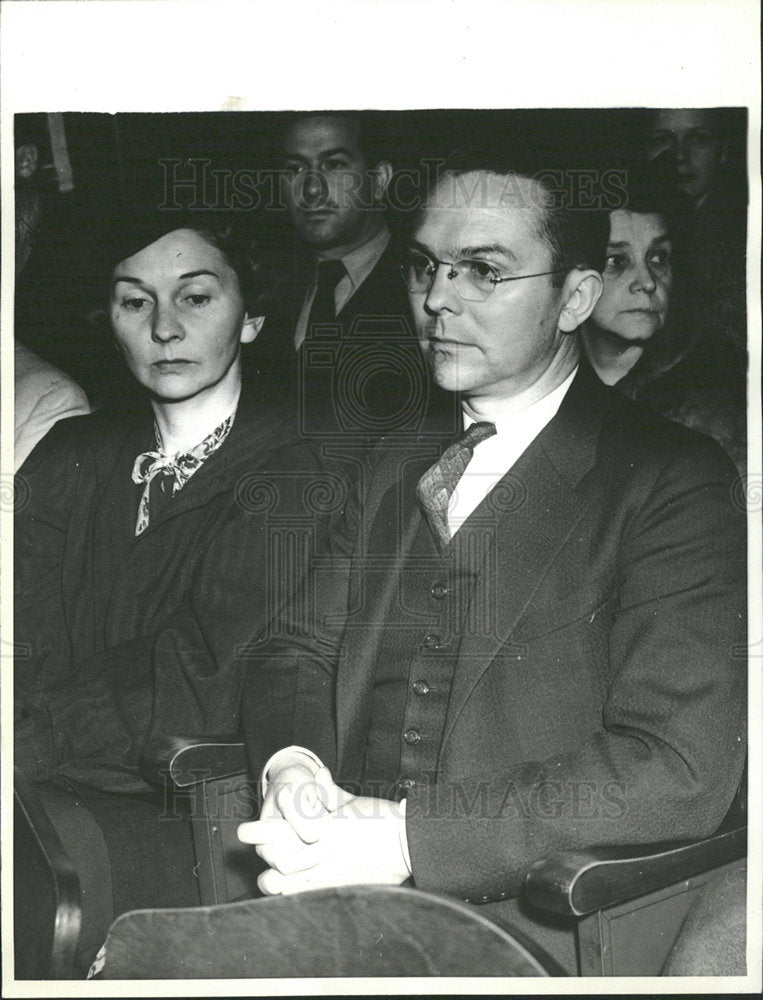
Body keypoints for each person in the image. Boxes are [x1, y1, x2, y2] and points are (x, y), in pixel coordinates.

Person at [237, 160, 747, 973]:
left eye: (483, 270)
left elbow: (677, 767)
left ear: (574, 298)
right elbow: (292, 650)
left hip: (541, 923)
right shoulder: (389, 459)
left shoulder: (669, 478)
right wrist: (292, 766)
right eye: (424, 266)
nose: (438, 299)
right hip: (332, 898)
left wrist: (406, 840)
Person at [253, 111, 444, 440]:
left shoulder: (429, 287)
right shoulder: (263, 286)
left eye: (334, 165)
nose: (312, 189)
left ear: (379, 180)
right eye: (295, 169)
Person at [581, 167, 746, 473]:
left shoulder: (721, 396)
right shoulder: (543, 380)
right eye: (616, 261)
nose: (647, 282)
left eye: (658, 257)